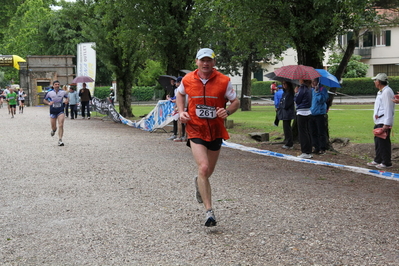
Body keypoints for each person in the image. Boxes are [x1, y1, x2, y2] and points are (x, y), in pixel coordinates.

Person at [176, 48, 240, 227]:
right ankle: (209, 212)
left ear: (214, 62)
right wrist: (182, 112)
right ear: (196, 62)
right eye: (202, 60)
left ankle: (199, 182)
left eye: (209, 60)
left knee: (208, 171)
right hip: (196, 129)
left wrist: (226, 111)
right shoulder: (188, 79)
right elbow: (180, 94)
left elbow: (236, 101)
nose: (205, 64)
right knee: (203, 167)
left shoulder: (224, 81)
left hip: (216, 130)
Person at [367, 73, 395, 169]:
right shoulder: (381, 91)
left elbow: (388, 108)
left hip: (383, 121)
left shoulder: (387, 92)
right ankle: (378, 159)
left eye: (375, 80)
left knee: (383, 142)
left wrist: (387, 124)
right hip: (379, 120)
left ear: (378, 82)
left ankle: (386, 162)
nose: (374, 82)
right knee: (378, 142)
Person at [43, 80, 69, 146]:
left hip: (60, 110)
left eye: (58, 84)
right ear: (53, 85)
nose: (57, 85)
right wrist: (49, 103)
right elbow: (44, 100)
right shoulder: (49, 93)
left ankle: (60, 140)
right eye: (56, 84)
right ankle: (53, 130)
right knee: (54, 127)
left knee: (61, 124)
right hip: (53, 111)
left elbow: (67, 97)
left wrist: (66, 100)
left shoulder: (63, 92)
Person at [309, 78, 329, 155]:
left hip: (319, 114)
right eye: (312, 81)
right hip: (312, 113)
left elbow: (321, 100)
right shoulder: (311, 90)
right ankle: (316, 147)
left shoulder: (322, 90)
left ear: (318, 82)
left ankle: (322, 148)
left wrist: (317, 92)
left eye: (314, 81)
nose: (313, 83)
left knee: (321, 132)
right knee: (313, 132)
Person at [295, 79, 313, 159]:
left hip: (302, 112)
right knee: (307, 131)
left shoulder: (302, 88)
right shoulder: (309, 88)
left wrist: (296, 93)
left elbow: (298, 100)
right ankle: (309, 150)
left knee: (303, 132)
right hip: (308, 111)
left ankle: (305, 151)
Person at [278, 81, 295, 149]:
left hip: (288, 113)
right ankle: (287, 141)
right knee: (285, 128)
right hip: (284, 113)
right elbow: (281, 102)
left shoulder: (290, 94)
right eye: (283, 84)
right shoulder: (284, 93)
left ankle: (289, 143)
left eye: (285, 84)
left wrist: (282, 104)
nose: (283, 85)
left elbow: (286, 104)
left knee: (287, 128)